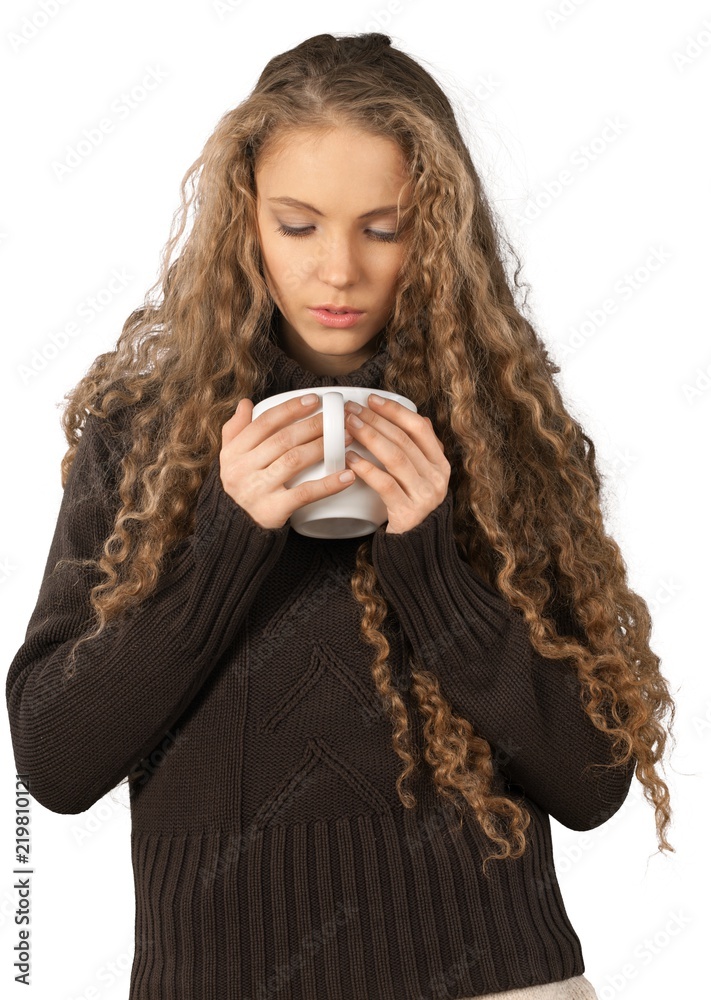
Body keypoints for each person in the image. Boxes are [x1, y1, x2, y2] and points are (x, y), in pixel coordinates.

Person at [5, 32, 675, 1000]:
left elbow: (592, 783)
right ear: (246, 223)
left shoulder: (502, 433)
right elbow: (57, 763)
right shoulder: (142, 438)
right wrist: (230, 544)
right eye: (300, 224)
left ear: (436, 230)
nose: (340, 272)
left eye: (384, 227)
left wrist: (433, 569)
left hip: (496, 975)